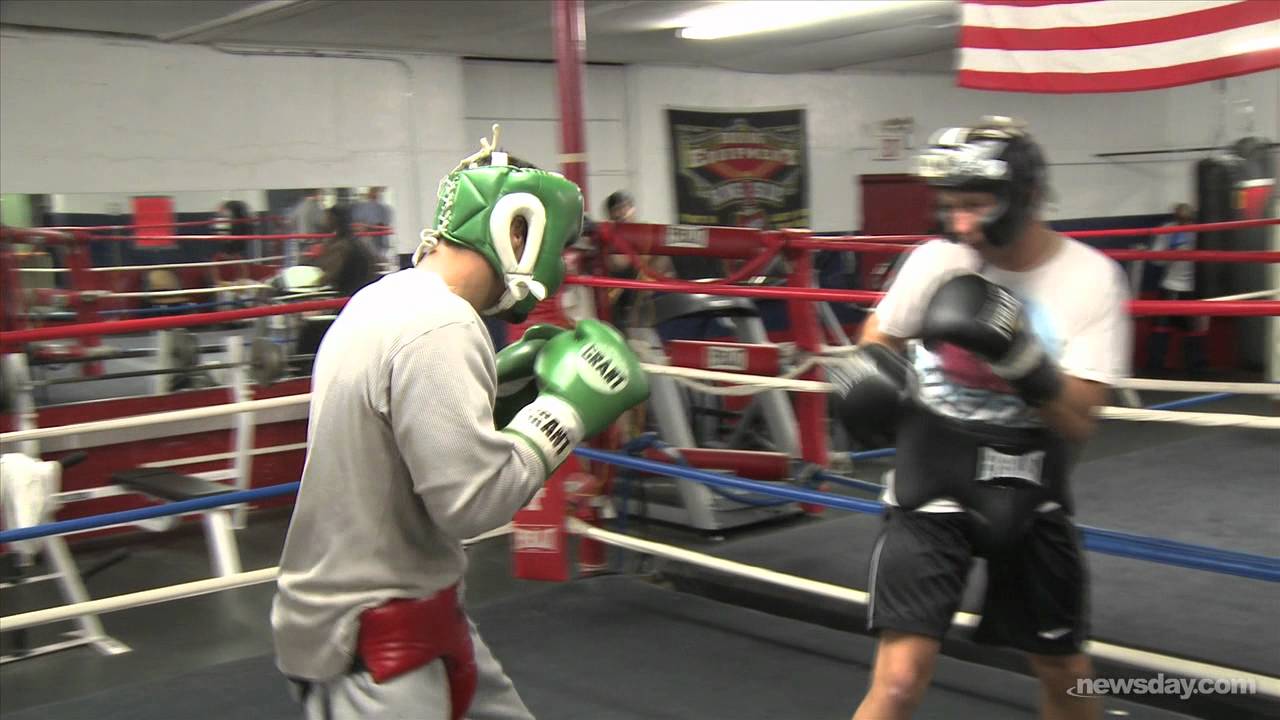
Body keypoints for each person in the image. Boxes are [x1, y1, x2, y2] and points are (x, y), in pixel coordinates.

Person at [270, 134, 650, 720]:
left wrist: (499, 395)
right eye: (557, 240)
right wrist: (566, 411)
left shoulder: (385, 298)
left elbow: (401, 440)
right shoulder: (442, 325)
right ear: (518, 230)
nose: (560, 265)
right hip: (380, 641)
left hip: (398, 612)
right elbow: (471, 503)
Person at [830, 117, 1131, 720]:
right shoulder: (935, 260)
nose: (961, 223)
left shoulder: (1089, 278)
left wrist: (1021, 359)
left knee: (1064, 673)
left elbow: (1079, 421)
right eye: (950, 206)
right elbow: (878, 334)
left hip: (1029, 486)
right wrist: (871, 375)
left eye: (976, 204)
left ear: (1027, 198)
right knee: (897, 681)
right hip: (931, 480)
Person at [1145, 202, 1206, 376]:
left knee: (1193, 329)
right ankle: (1155, 369)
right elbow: (1155, 260)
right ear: (1176, 219)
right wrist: (1170, 250)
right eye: (1181, 220)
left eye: (1187, 220)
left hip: (1192, 289)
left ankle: (1196, 371)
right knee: (1161, 328)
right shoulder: (1168, 230)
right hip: (1170, 286)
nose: (1184, 224)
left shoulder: (1200, 231)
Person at [352, 186, 395, 268]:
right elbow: (358, 224)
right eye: (374, 192)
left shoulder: (385, 208)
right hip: (366, 239)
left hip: (380, 239)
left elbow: (386, 223)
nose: (376, 194)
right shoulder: (360, 207)